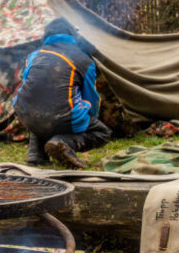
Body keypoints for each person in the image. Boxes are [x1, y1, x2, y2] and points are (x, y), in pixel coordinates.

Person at [13, 18, 111, 168]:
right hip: (62, 117)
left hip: (24, 113)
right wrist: (89, 118)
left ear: (45, 36)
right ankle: (63, 142)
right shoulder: (83, 60)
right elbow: (91, 96)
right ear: (73, 36)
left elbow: (29, 87)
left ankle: (35, 155)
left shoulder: (34, 56)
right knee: (102, 132)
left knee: (37, 110)